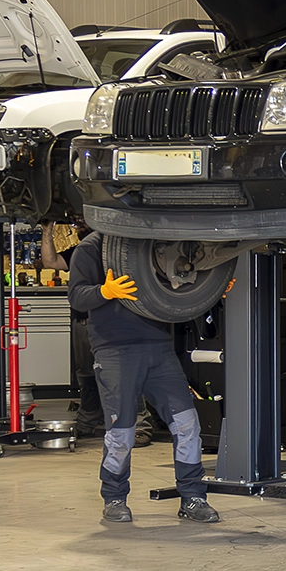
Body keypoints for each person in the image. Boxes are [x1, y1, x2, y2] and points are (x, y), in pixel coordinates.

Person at [53, 228, 217, 523]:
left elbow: (178, 285)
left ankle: (193, 497)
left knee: (187, 423)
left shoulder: (154, 244)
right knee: (121, 432)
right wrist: (105, 291)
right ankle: (114, 498)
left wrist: (211, 289)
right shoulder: (91, 248)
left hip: (159, 348)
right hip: (115, 350)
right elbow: (77, 297)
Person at [41, 224, 153, 447]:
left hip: (122, 321)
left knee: (128, 374)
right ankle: (87, 421)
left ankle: (140, 425)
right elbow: (50, 263)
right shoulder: (83, 250)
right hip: (86, 321)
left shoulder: (130, 247)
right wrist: (47, 232)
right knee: (88, 374)